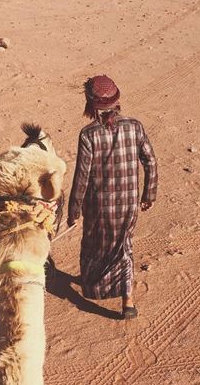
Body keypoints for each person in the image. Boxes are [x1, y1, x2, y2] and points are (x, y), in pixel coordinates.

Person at [67, 75, 158, 319]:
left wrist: (74, 211)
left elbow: (82, 177)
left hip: (99, 207)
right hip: (128, 204)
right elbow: (150, 160)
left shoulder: (88, 134)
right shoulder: (135, 126)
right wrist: (149, 192)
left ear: (90, 103)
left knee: (94, 243)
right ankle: (128, 301)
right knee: (123, 246)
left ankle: (93, 282)